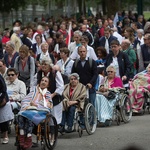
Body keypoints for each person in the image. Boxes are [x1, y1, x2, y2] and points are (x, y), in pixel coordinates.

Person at [18, 76, 53, 149]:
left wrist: (37, 105)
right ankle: (21, 135)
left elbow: (49, 105)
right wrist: (28, 104)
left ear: (48, 85)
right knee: (20, 114)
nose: (43, 82)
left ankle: (28, 137)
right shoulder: (33, 91)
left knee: (29, 116)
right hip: (29, 109)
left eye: (45, 81)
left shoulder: (48, 93)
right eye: (42, 80)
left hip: (40, 111)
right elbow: (25, 100)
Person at [35, 58, 64, 125]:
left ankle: (53, 132)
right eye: (42, 64)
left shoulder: (55, 73)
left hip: (54, 98)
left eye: (45, 64)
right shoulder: (39, 73)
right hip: (41, 98)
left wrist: (53, 94)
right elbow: (34, 85)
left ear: (49, 66)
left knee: (54, 118)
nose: (43, 66)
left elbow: (61, 86)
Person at [0, 74, 14, 144]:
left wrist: (0, 98)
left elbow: (3, 89)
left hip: (2, 99)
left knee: (3, 119)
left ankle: (5, 136)